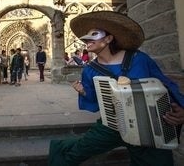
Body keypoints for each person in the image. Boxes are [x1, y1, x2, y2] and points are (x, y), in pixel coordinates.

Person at [48, 11, 184, 166]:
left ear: (108, 38)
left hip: (149, 126)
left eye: (93, 34)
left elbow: (166, 84)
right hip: (112, 124)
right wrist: (84, 92)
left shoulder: (138, 59)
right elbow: (95, 103)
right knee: (73, 152)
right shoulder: (89, 70)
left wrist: (182, 108)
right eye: (86, 35)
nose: (86, 39)